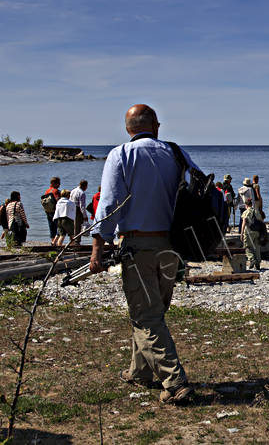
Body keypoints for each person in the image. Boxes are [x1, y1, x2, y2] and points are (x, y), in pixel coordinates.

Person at [89, 104, 195, 405]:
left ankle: (175, 383)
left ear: (127, 129)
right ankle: (140, 372)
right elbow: (197, 191)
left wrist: (98, 247)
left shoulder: (120, 155)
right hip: (172, 246)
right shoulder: (176, 153)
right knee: (153, 311)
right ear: (156, 126)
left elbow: (108, 205)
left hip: (139, 245)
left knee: (146, 316)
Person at [241, 197, 264, 270]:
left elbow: (244, 222)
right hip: (257, 231)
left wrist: (241, 233)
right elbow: (261, 221)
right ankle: (257, 263)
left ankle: (251, 259)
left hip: (249, 232)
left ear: (246, 205)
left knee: (247, 246)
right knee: (257, 247)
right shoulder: (257, 211)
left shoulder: (246, 212)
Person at [42, 177, 61, 241]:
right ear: (54, 183)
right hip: (55, 212)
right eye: (58, 183)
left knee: (51, 227)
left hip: (48, 211)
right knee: (59, 227)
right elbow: (58, 201)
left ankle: (52, 241)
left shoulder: (47, 191)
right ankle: (56, 242)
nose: (59, 185)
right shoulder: (56, 191)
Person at [69, 180, 88, 244]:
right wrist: (85, 216)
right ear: (85, 186)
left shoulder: (73, 190)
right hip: (77, 210)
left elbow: (70, 200)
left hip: (71, 209)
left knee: (73, 226)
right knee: (78, 226)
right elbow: (82, 206)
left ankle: (72, 240)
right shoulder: (82, 193)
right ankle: (77, 242)